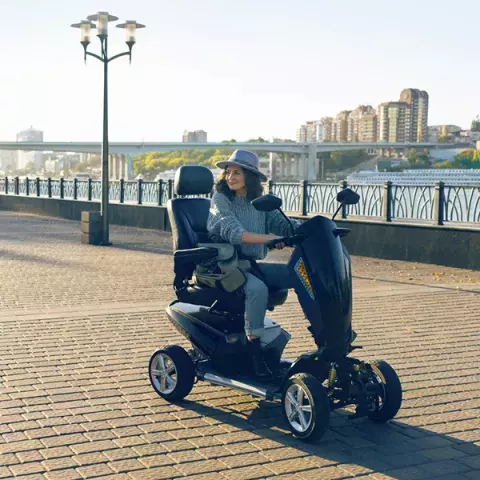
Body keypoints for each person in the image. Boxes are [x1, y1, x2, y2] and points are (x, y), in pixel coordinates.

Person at [207, 149, 301, 379]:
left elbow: (284, 225)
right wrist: (271, 240)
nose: (230, 177)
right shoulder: (220, 200)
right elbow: (237, 233)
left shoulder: (258, 203)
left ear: (249, 176)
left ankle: (323, 333)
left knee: (299, 274)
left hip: (250, 266)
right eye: (228, 172)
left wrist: (319, 228)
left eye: (236, 172)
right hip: (223, 266)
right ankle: (255, 352)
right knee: (256, 289)